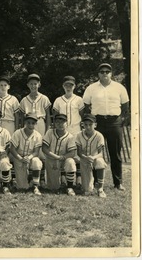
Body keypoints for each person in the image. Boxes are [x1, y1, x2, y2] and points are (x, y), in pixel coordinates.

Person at [83, 63, 130, 191]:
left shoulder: (119, 87)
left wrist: (121, 119)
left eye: (107, 71)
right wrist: (90, 120)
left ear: (111, 73)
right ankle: (94, 181)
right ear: (98, 74)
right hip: (97, 122)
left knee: (115, 153)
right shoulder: (91, 88)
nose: (104, 74)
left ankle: (118, 182)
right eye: (102, 71)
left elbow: (125, 105)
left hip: (114, 122)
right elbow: (86, 105)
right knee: (94, 152)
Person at [19, 73, 51, 187]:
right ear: (28, 85)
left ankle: (41, 178)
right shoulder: (24, 100)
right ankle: (30, 176)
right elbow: (22, 117)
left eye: (35, 84)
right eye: (31, 84)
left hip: (40, 123)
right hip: (28, 124)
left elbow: (48, 116)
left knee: (41, 151)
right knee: (29, 149)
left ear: (39, 84)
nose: (33, 86)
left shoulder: (44, 98)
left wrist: (47, 130)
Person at [52, 75, 84, 188]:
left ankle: (78, 178)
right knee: (62, 153)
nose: (68, 87)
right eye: (66, 85)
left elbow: (82, 115)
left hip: (75, 129)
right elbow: (55, 116)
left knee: (76, 154)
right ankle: (63, 178)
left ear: (74, 86)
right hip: (62, 130)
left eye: (70, 85)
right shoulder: (58, 100)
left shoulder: (79, 99)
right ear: (63, 86)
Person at [42, 113, 77, 196]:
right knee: (53, 188)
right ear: (54, 123)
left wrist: (63, 157)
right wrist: (56, 157)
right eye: (57, 122)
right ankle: (60, 182)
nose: (60, 124)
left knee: (70, 162)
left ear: (67, 123)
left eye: (62, 122)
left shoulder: (70, 136)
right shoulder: (50, 132)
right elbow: (44, 148)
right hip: (51, 159)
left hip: (63, 159)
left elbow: (72, 153)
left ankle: (70, 186)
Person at [10, 113, 43, 196]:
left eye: (33, 123)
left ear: (35, 124)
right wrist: (20, 158)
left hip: (31, 157)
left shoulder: (38, 135)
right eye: (28, 122)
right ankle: (28, 179)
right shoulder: (18, 133)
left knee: (37, 162)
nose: (30, 125)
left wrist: (29, 157)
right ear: (25, 122)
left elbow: (36, 152)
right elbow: (12, 149)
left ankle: (35, 186)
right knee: (22, 187)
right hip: (18, 157)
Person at [75, 114, 107, 198]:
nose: (88, 127)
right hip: (84, 158)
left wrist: (93, 157)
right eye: (86, 124)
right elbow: (79, 152)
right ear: (82, 125)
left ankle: (100, 188)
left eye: (90, 124)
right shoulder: (79, 135)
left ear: (95, 125)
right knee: (87, 190)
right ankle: (88, 184)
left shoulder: (99, 135)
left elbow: (101, 153)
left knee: (100, 162)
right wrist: (85, 158)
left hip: (95, 157)